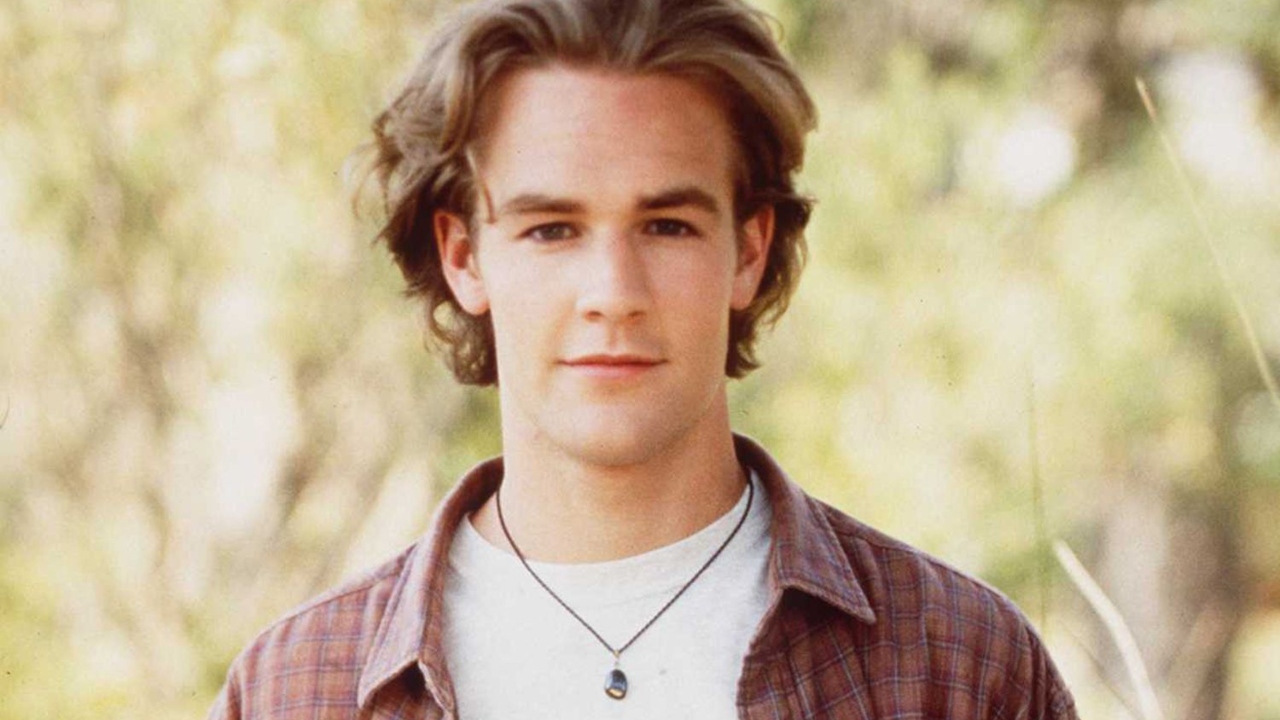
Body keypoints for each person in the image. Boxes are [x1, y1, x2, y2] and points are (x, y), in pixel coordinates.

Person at [209, 0, 1078, 717]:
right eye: (552, 229)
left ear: (748, 249)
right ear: (464, 256)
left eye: (667, 226)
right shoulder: (296, 691)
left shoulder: (956, 665)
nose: (613, 292)